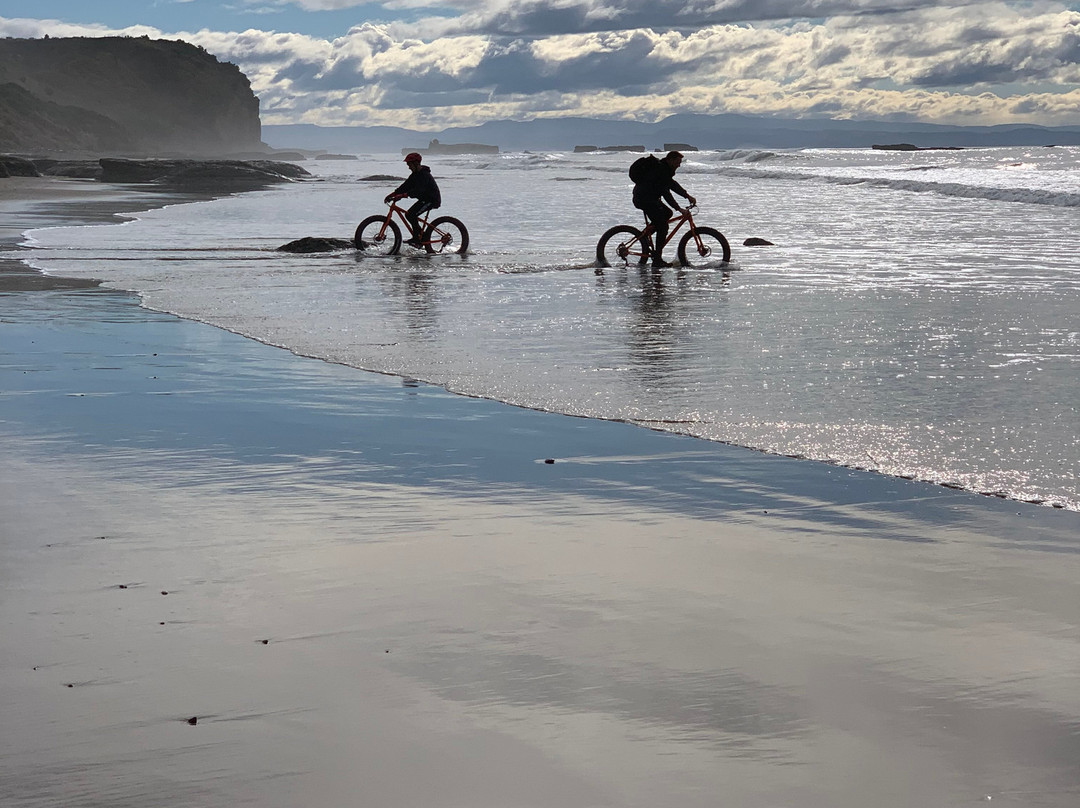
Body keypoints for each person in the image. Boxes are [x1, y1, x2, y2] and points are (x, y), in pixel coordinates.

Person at [632, 150, 696, 268]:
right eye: (677, 162)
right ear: (670, 160)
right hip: (644, 199)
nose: (679, 165)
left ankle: (645, 236)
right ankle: (657, 259)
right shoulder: (661, 170)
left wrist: (687, 196)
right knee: (663, 226)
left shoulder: (665, 170)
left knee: (667, 213)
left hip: (650, 198)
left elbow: (672, 185)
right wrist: (679, 208)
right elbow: (666, 193)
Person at [385, 152, 442, 247]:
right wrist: (392, 194)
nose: (408, 167)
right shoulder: (414, 175)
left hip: (431, 200)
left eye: (409, 165)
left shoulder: (424, 175)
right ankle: (420, 236)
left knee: (411, 214)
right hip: (424, 199)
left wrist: (403, 195)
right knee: (409, 214)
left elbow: (418, 190)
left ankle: (418, 238)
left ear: (416, 163)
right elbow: (405, 186)